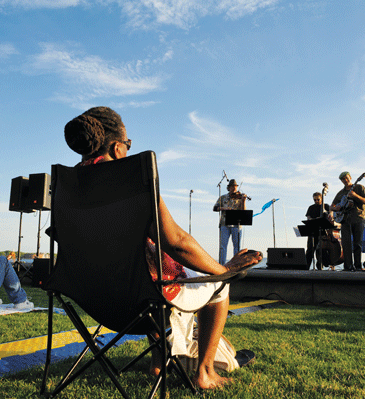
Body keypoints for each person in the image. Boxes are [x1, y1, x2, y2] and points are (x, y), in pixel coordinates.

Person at [63, 106, 262, 390]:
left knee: (143, 278)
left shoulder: (68, 186)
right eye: (128, 145)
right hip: (141, 299)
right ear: (118, 148)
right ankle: (205, 373)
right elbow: (177, 243)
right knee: (220, 287)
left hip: (92, 299)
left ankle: (159, 362)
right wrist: (224, 271)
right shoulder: (131, 182)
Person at [330, 171, 365, 271]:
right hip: (345, 220)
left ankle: (358, 266)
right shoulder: (340, 193)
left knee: (358, 243)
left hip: (358, 218)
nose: (345, 180)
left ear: (350, 177)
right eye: (343, 179)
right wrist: (336, 209)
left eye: (346, 178)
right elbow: (332, 206)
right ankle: (348, 267)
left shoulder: (359, 187)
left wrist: (355, 196)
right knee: (346, 244)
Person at [213, 179, 247, 265]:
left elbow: (243, 211)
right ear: (229, 188)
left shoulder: (240, 198)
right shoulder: (223, 197)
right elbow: (215, 208)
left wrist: (243, 200)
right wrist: (223, 208)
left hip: (236, 224)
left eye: (235, 187)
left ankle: (236, 265)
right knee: (223, 246)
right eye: (232, 187)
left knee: (237, 247)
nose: (234, 188)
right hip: (224, 224)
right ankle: (221, 265)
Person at [305, 192, 330, 270]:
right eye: (314, 200)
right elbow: (308, 217)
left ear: (321, 199)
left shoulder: (326, 206)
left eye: (318, 199)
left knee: (322, 250)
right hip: (313, 230)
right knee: (310, 249)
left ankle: (320, 265)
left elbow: (329, 217)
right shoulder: (311, 207)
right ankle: (306, 267)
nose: (316, 201)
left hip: (323, 231)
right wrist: (310, 219)